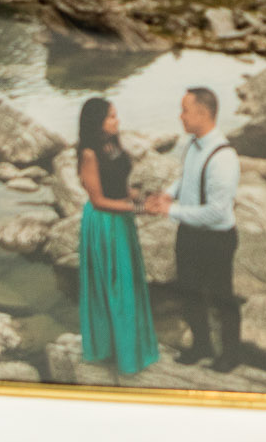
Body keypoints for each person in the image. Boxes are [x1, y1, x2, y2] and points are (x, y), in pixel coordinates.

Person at [144, 87, 241, 371]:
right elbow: (187, 177)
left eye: (185, 110)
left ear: (203, 113)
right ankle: (201, 346)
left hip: (217, 238)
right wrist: (168, 194)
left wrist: (169, 211)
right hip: (189, 233)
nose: (180, 116)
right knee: (188, 291)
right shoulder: (193, 144)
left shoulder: (223, 157)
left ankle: (231, 355)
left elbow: (216, 212)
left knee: (222, 297)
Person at [74, 97, 159, 376]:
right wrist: (138, 208)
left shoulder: (113, 146)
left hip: (121, 221)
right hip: (104, 223)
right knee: (115, 286)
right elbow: (98, 200)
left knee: (127, 283)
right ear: (97, 122)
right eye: (111, 117)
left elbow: (121, 187)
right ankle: (118, 354)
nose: (117, 120)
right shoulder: (89, 154)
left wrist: (145, 199)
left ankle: (126, 347)